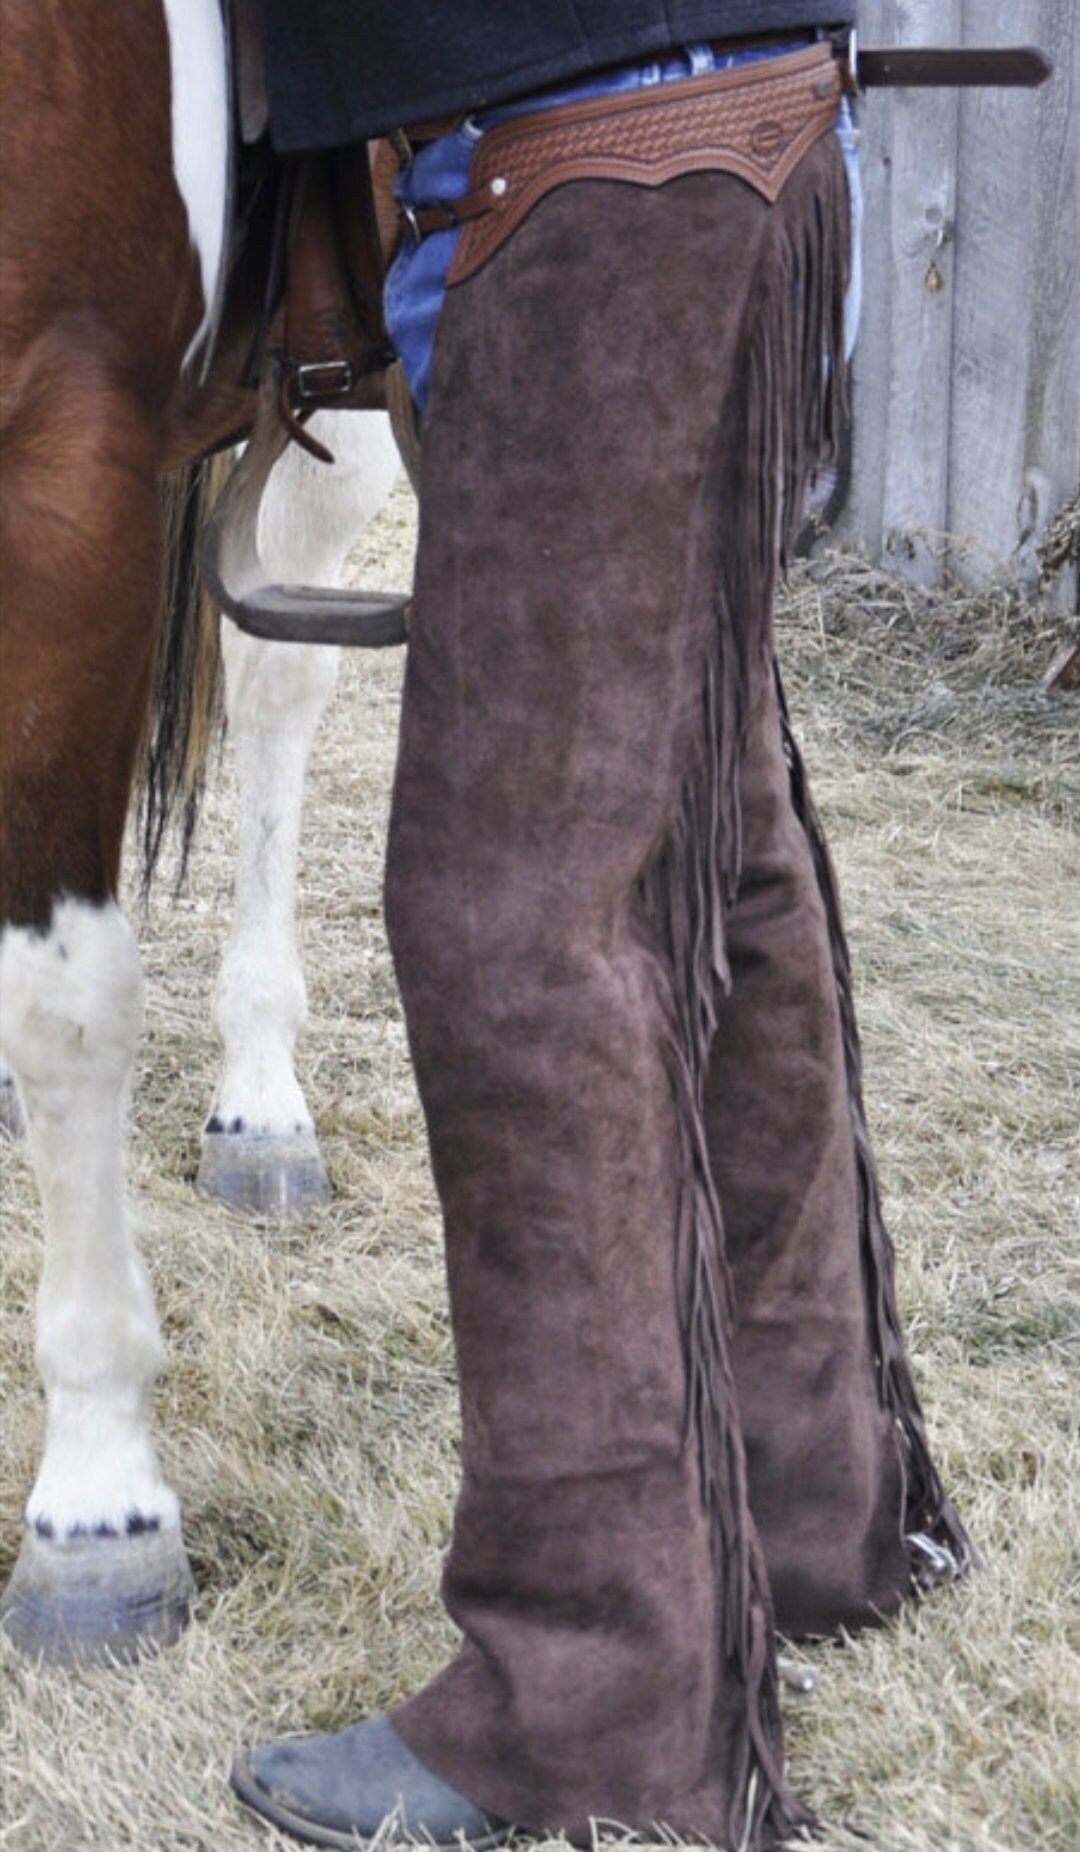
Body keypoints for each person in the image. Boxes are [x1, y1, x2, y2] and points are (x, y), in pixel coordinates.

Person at [232, 7, 971, 1848]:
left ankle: (592, 1694)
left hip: (594, 168)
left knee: (516, 916)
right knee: (710, 822)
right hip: (737, 124)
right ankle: (814, 1501)